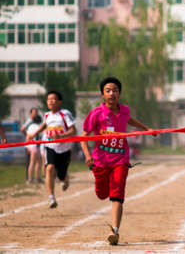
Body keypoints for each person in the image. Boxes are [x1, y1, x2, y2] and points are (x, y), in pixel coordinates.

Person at [80, 77, 153, 246]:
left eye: (115, 90)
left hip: (121, 159)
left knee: (117, 194)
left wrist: (147, 129)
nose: (112, 93)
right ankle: (103, 191)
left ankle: (115, 231)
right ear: (102, 95)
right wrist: (87, 155)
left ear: (119, 93)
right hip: (100, 162)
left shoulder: (124, 110)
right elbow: (83, 136)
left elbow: (130, 120)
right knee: (102, 194)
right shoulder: (96, 114)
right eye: (108, 90)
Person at [27, 91, 76, 208]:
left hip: (64, 149)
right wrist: (34, 133)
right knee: (49, 168)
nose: (51, 101)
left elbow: (73, 131)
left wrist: (61, 135)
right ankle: (51, 197)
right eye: (49, 99)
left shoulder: (65, 114)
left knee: (61, 175)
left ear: (59, 102)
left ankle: (65, 178)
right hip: (50, 146)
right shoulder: (47, 115)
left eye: (53, 99)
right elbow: (44, 125)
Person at [21, 108, 43, 183]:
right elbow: (28, 136)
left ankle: (36, 178)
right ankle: (31, 179)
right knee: (33, 163)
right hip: (33, 146)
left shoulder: (31, 126)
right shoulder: (35, 126)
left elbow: (28, 136)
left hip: (32, 145)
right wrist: (28, 145)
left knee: (37, 163)